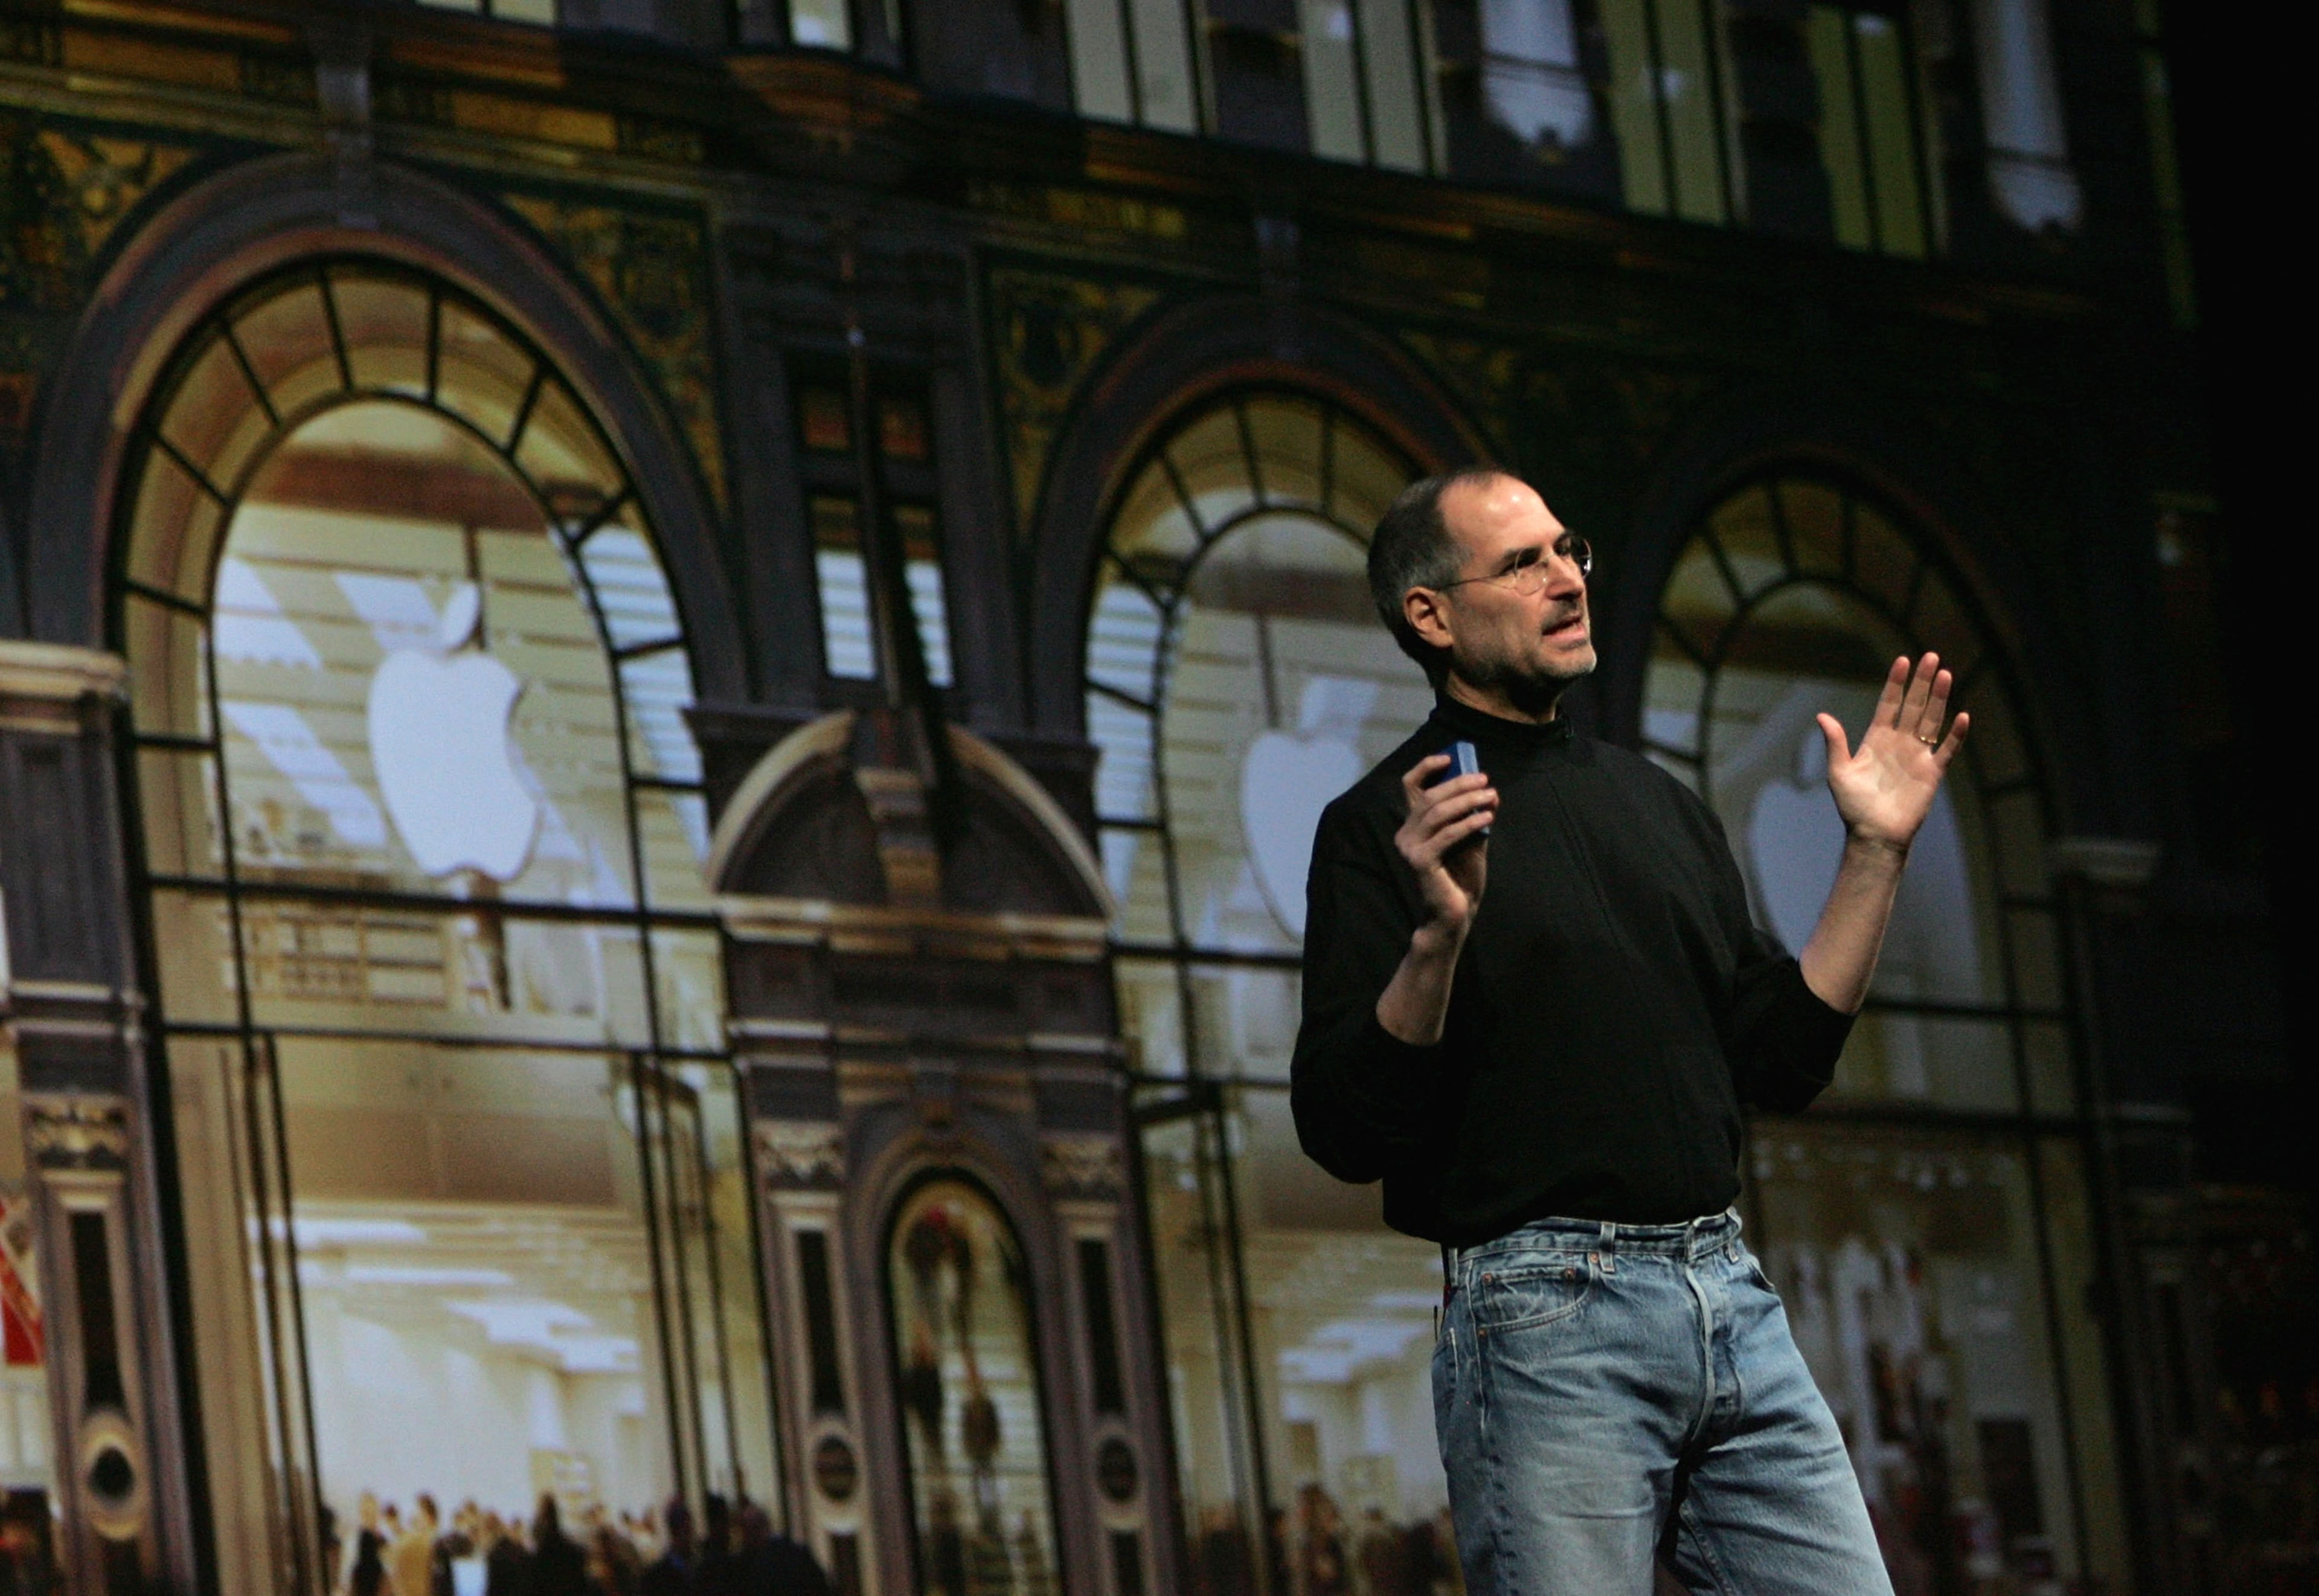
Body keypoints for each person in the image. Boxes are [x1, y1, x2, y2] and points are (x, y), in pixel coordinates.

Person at [1292, 470, 1965, 1594]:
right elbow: (1344, 1126)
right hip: (1544, 1320)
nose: (1568, 581)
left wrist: (1876, 854)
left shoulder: (1661, 808)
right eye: (1524, 563)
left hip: (1729, 1295)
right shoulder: (1381, 826)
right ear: (1431, 615)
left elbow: (1783, 1055)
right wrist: (1435, 941)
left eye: (1571, 550)